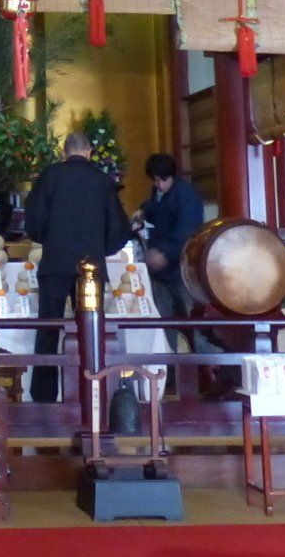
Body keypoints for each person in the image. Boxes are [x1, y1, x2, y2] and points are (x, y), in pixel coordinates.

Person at [22, 130, 130, 403]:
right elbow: (119, 226)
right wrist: (102, 249)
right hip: (91, 268)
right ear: (90, 152)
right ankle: (91, 390)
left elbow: (34, 219)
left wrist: (48, 238)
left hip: (55, 263)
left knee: (48, 328)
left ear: (64, 152)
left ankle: (43, 395)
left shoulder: (51, 176)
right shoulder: (102, 180)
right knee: (90, 328)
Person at [134, 152, 206, 316]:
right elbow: (153, 207)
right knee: (162, 316)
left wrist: (164, 253)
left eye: (163, 180)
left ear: (172, 176)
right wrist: (143, 211)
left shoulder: (185, 195)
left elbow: (187, 230)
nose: (159, 185)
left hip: (180, 267)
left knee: (189, 314)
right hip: (160, 268)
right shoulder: (159, 191)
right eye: (155, 180)